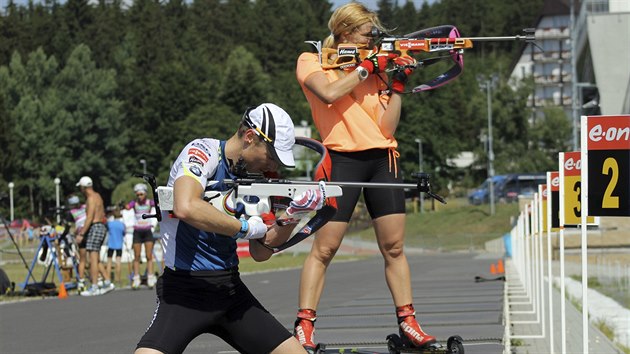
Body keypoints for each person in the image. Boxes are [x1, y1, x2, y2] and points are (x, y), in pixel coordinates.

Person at [293, 2, 436, 351]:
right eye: (367, 34)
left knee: (395, 247)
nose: (372, 40)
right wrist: (365, 67)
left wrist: (397, 85)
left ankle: (408, 323)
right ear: (344, 32)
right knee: (325, 248)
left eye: (374, 36)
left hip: (381, 158)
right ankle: (304, 325)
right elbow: (327, 93)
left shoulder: (376, 68)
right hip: (340, 158)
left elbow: (386, 127)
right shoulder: (311, 60)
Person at [135, 103, 325, 354]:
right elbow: (186, 206)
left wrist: (293, 215)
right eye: (271, 157)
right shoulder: (202, 150)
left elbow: (261, 252)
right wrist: (245, 228)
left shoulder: (256, 179)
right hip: (184, 291)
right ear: (250, 138)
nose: (273, 168)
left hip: (231, 292)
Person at [75, 176, 112, 296]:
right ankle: (107, 282)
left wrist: (81, 233)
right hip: (101, 226)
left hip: (95, 227)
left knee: (93, 259)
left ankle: (95, 286)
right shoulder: (98, 196)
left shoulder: (90, 198)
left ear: (83, 187)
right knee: (96, 258)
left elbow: (90, 217)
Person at [127, 183, 157, 289]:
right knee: (137, 256)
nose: (139, 196)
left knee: (149, 256)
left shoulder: (149, 202)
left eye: (141, 194)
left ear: (145, 194)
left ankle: (150, 277)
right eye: (137, 194)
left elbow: (158, 204)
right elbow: (127, 207)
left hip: (147, 231)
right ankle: (136, 278)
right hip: (137, 232)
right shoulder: (134, 203)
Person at [106, 206, 126, 287]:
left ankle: (107, 278)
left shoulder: (110, 224)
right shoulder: (122, 225)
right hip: (119, 245)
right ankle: (118, 279)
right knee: (118, 262)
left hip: (111, 244)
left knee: (109, 262)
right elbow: (124, 234)